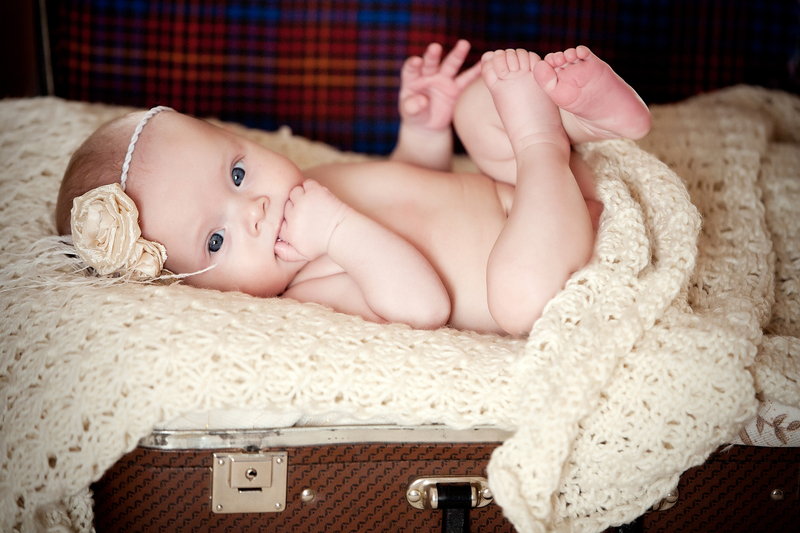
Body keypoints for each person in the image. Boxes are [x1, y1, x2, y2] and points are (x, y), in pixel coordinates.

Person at [56, 42, 651, 335]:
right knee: (521, 298)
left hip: (538, 197)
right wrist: (337, 230)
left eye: (237, 174)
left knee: (478, 104)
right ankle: (544, 139)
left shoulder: (312, 188)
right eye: (216, 240)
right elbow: (424, 306)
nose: (255, 208)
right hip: (556, 261)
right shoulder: (309, 291)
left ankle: (591, 121)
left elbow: (410, 185)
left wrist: (425, 131)